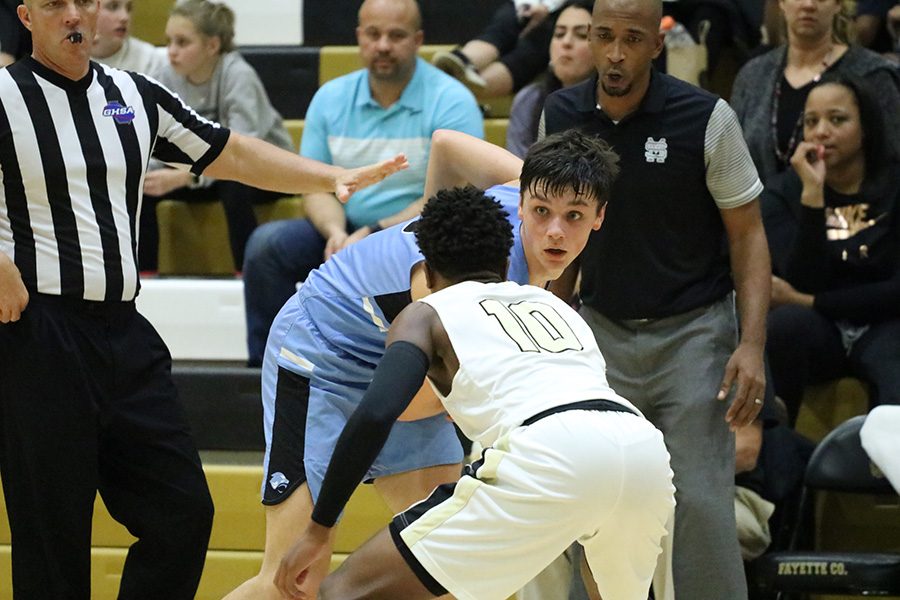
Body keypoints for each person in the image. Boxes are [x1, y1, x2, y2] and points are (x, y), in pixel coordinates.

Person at [0, 0, 406, 597]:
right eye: (56, 3)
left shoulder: (132, 93)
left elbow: (231, 150)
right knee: (52, 536)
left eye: (84, 0)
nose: (74, 14)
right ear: (27, 14)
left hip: (124, 332)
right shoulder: (5, 96)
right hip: (38, 334)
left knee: (182, 513)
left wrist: (324, 177)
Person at [223, 128, 620, 600]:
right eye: (542, 212)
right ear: (522, 203)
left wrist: (436, 217)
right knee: (291, 582)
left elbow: (448, 144)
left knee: (449, 571)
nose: (556, 228)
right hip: (320, 353)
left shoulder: (546, 188)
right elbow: (402, 405)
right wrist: (435, 236)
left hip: (401, 360)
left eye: (574, 215)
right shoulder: (456, 288)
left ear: (598, 215)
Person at [271, 186, 676, 600]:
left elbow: (377, 414)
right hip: (643, 451)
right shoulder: (552, 305)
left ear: (426, 271)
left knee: (342, 592)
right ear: (506, 261)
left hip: (549, 453)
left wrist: (319, 529)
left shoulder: (426, 313)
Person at [541, 0, 771, 598]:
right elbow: (557, 238)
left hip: (694, 333)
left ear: (656, 44)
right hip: (601, 333)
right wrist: (551, 332)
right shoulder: (561, 113)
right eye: (604, 37)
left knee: (697, 500)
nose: (615, 54)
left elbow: (748, 236)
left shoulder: (706, 118)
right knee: (590, 496)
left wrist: (751, 344)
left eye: (631, 39)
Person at [241, 0, 483, 367]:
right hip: (345, 229)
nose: (383, 45)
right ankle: (269, 367)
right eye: (373, 34)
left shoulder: (452, 100)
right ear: (359, 37)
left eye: (396, 35)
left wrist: (373, 232)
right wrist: (335, 231)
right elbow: (316, 184)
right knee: (266, 248)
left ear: (418, 40)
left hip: (417, 234)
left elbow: (451, 196)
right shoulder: (330, 98)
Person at [761, 73, 900, 426]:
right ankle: (779, 463)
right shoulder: (782, 194)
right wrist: (813, 196)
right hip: (820, 330)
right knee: (782, 326)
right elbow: (803, 278)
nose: (822, 131)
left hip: (885, 324)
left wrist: (810, 301)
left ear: (865, 126)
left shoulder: (895, 184)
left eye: (837, 119)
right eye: (811, 122)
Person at [139, 0, 295, 271]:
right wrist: (146, 172)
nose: (171, 51)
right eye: (169, 41)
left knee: (233, 180)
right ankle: (146, 275)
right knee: (144, 184)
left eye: (182, 42)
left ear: (212, 46)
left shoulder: (239, 75)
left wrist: (185, 176)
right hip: (203, 174)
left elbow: (241, 153)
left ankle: (246, 274)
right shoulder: (165, 76)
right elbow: (153, 140)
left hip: (262, 173)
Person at [730, 0, 900, 187]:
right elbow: (732, 161)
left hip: (849, 211)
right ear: (781, 3)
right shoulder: (753, 75)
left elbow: (891, 161)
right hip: (762, 212)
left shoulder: (873, 74)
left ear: (838, 4)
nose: (809, 4)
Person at [506, 0, 595, 158]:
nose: (566, 43)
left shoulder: (613, 103)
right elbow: (516, 169)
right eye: (559, 34)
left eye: (581, 35)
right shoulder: (529, 99)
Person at [432, 0, 566, 98]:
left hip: (563, 11)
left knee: (530, 50)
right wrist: (527, 5)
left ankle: (461, 86)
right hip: (523, 5)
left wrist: (548, 6)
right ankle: (460, 61)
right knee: (500, 30)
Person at [90, 0, 166, 76]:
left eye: (129, 8)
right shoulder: (78, 55)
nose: (125, 17)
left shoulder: (149, 59)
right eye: (113, 7)